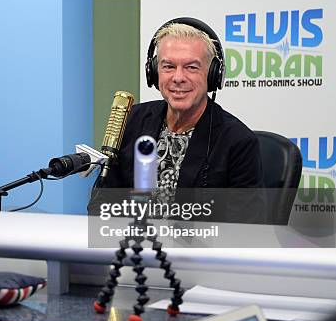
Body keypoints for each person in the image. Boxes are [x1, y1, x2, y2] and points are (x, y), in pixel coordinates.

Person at [99, 18, 263, 191]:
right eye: (168, 66)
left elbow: (246, 216)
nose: (178, 78)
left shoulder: (239, 142)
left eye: (191, 67)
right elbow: (102, 200)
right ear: (154, 73)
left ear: (212, 75)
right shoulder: (132, 120)